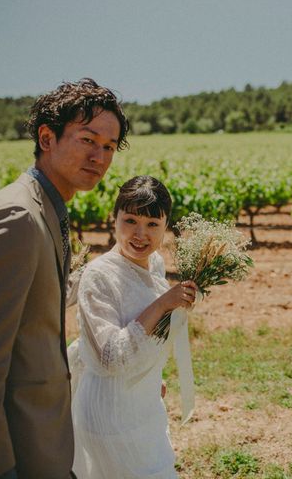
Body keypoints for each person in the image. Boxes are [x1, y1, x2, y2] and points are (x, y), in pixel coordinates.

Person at [0, 78, 129, 479]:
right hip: (17, 453)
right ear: (47, 138)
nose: (99, 156)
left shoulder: (47, 209)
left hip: (43, 444)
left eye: (109, 147)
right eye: (88, 140)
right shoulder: (18, 218)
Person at [70, 176, 197, 478]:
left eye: (153, 224)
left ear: (166, 225)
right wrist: (163, 304)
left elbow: (144, 334)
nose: (140, 234)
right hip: (110, 414)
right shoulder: (99, 277)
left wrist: (152, 375)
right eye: (130, 221)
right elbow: (110, 356)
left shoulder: (154, 263)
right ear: (113, 219)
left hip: (142, 404)